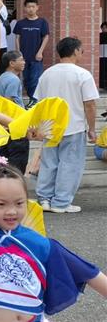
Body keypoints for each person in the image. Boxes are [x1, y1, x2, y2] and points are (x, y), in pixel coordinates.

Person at [0, 156, 107, 321]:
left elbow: (90, 273)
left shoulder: (40, 243)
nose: (11, 211)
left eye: (19, 203)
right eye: (1, 204)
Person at [33, 37, 98, 213]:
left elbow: (39, 103)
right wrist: (92, 128)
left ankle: (44, 199)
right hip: (74, 126)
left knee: (49, 163)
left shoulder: (47, 74)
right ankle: (61, 202)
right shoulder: (82, 74)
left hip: (49, 127)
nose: (82, 53)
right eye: (81, 50)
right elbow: (90, 104)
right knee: (70, 165)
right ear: (75, 51)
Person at [0, 50, 29, 173]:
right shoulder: (14, 79)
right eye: (21, 60)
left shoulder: (2, 77)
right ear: (12, 63)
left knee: (4, 159)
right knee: (17, 161)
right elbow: (9, 103)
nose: (24, 62)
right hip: (14, 124)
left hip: (4, 125)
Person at [13, 0, 50, 104]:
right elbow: (17, 38)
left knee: (35, 79)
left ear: (37, 7)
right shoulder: (20, 23)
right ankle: (32, 99)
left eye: (33, 6)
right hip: (24, 57)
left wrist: (40, 52)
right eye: (28, 7)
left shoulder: (42, 22)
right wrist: (18, 52)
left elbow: (46, 37)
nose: (31, 9)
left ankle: (34, 100)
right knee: (26, 79)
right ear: (25, 8)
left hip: (36, 57)